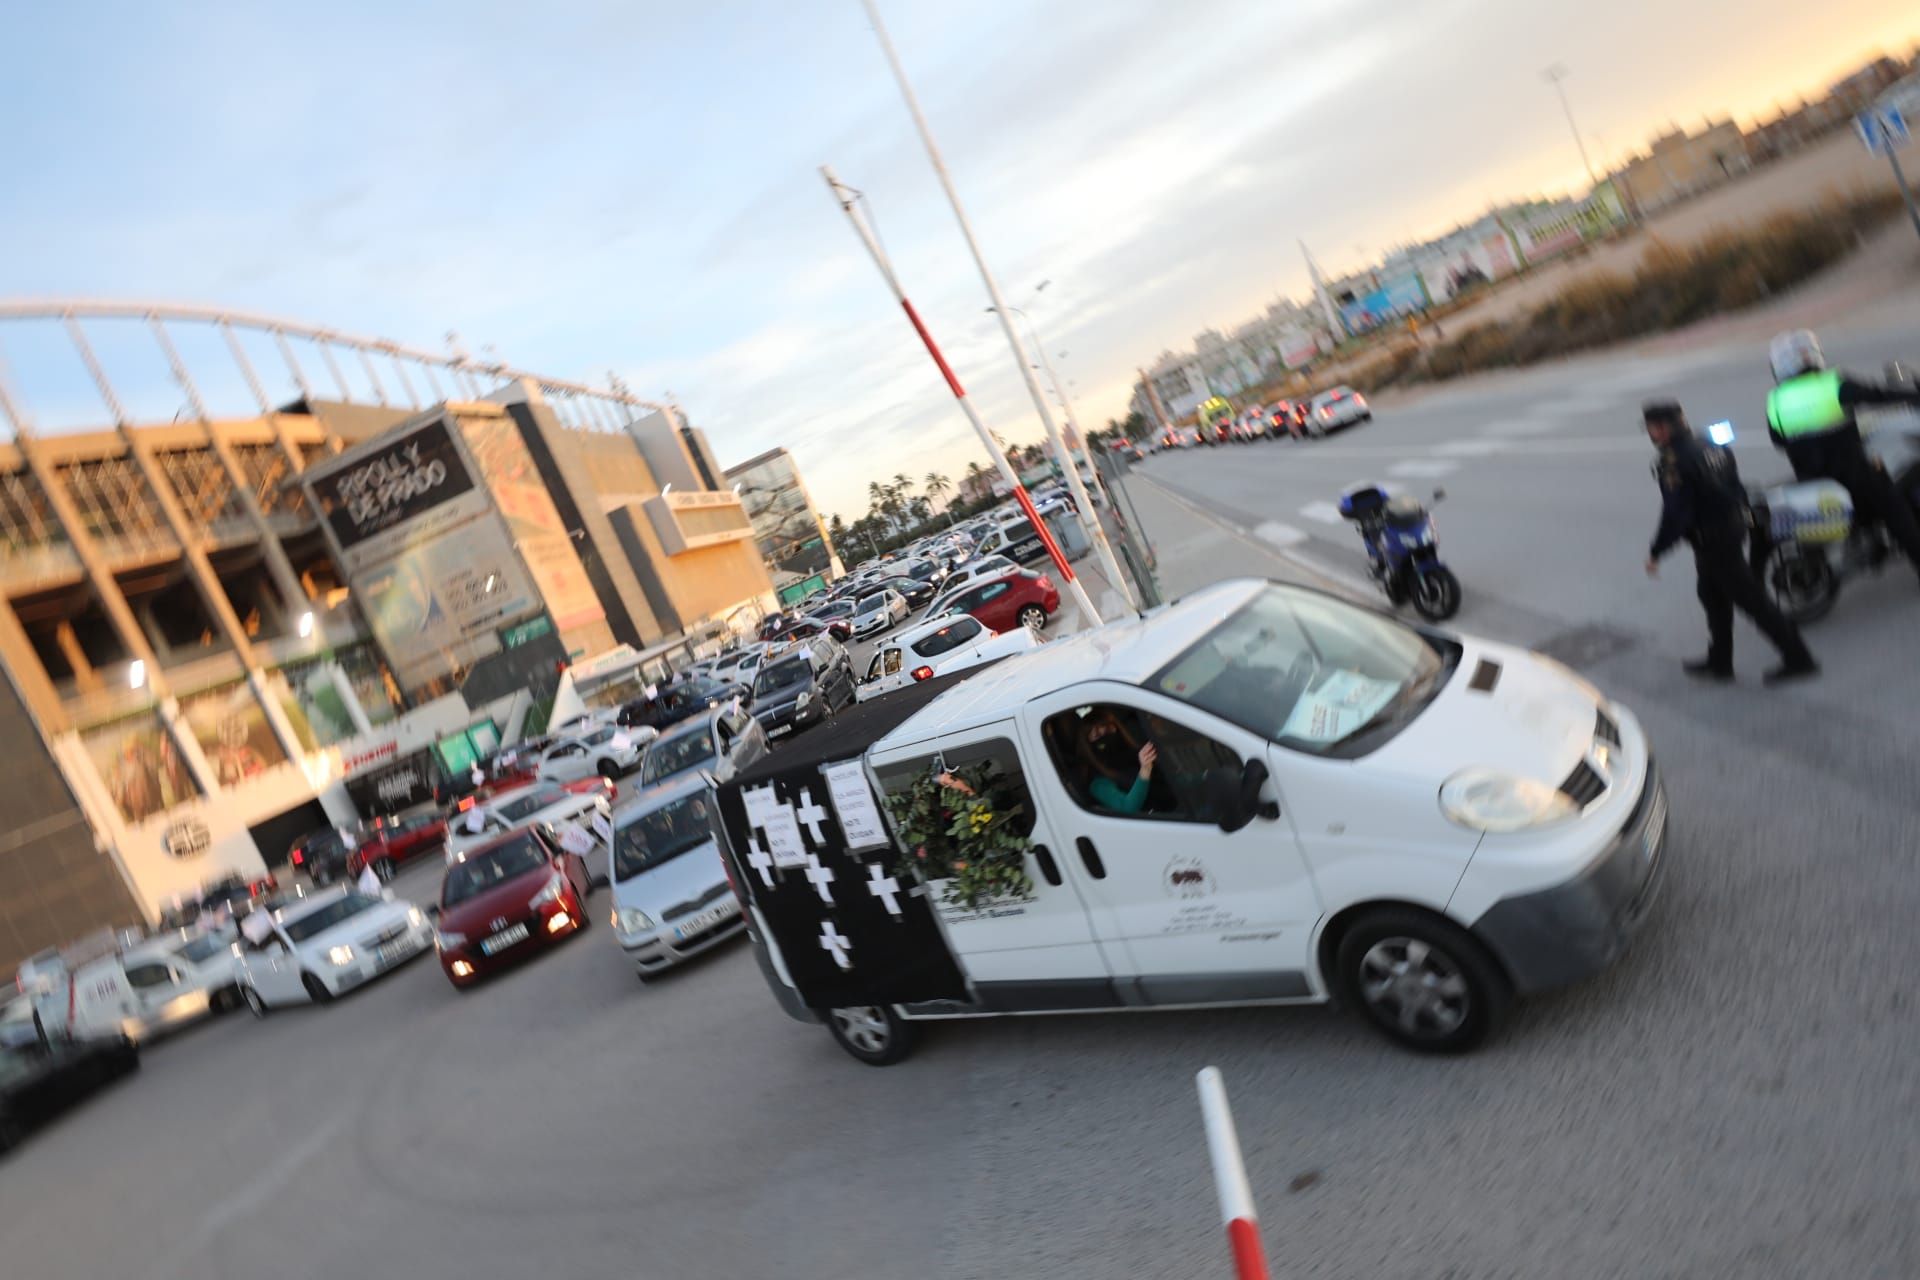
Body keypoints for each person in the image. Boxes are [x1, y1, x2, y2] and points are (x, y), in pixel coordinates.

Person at [1644, 400, 1817, 685]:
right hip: (1729, 529)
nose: (1651, 434)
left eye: (1651, 428)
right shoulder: (1709, 442)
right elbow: (1734, 484)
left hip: (1714, 540)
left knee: (1753, 602)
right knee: (1712, 596)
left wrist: (1656, 552)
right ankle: (1720, 661)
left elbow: (1676, 514)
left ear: (1662, 429)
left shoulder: (1675, 461)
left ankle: (1798, 657)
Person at [1764, 328, 1920, 584]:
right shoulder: (1832, 384)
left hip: (1813, 480)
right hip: (1856, 477)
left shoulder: (1776, 402)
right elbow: (1878, 395)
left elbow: (1779, 441)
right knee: (1896, 510)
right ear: (1814, 355)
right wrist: (1914, 394)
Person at [1074, 710, 1158, 814]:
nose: (1109, 736)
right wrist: (1145, 768)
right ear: (1088, 747)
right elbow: (1128, 807)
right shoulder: (1097, 783)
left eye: (1110, 728)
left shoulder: (1132, 754)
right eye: (1099, 736)